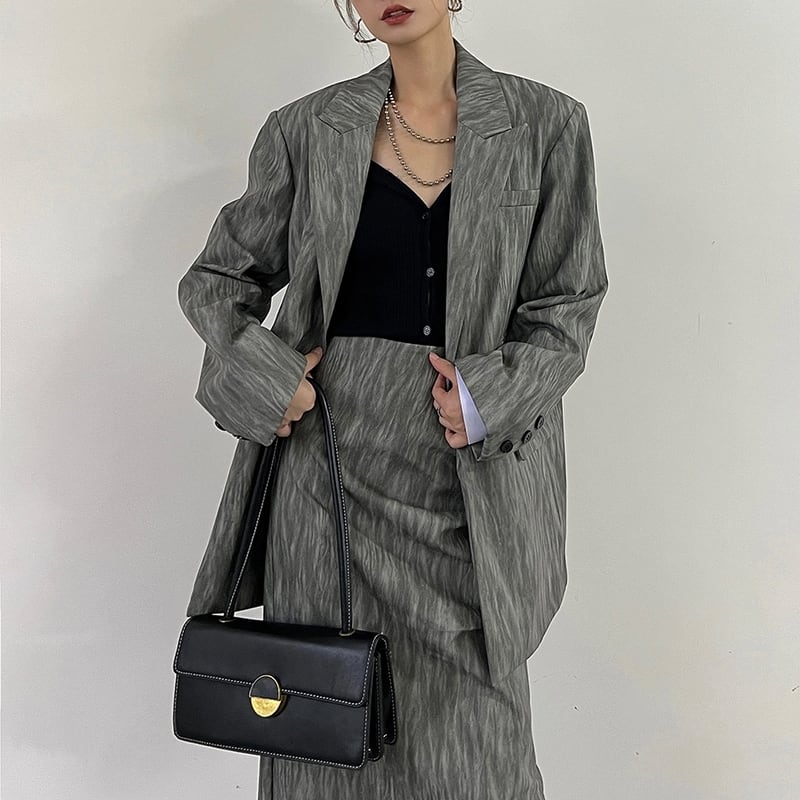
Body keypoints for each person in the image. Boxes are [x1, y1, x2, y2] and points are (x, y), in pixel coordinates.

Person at [177, 2, 608, 798]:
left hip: (466, 482)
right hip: (328, 480)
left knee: (478, 752)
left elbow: (567, 304)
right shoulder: (306, 129)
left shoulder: (546, 124)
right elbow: (218, 281)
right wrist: (271, 379)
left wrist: (487, 396)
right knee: (323, 730)